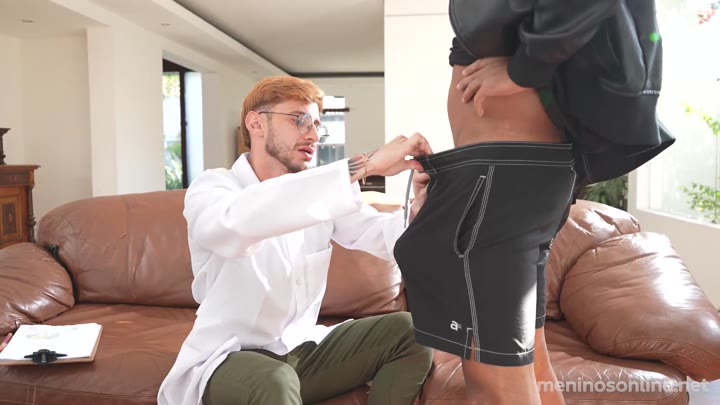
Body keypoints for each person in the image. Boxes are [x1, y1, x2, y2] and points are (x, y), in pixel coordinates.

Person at [393, 1, 674, 404]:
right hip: (512, 175)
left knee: (496, 385)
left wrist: (523, 69)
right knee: (529, 368)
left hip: (501, 178)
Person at [158, 76, 435, 405]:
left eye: (317, 124)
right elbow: (238, 224)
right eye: (300, 120)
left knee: (412, 332)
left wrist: (420, 209)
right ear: (256, 123)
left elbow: (386, 237)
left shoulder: (321, 195)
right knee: (275, 380)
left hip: (300, 351)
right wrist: (366, 165)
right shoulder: (214, 189)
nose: (314, 135)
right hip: (229, 357)